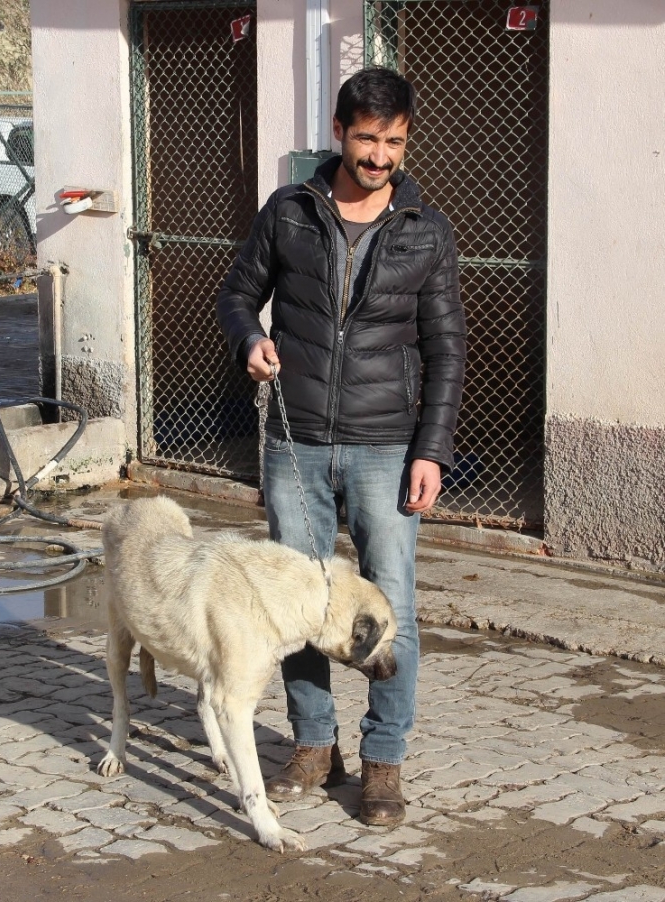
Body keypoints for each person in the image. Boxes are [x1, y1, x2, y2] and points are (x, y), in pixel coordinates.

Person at [217, 67, 466, 826]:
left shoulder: (426, 228)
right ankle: (314, 748)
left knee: (395, 607)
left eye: (393, 141)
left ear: (405, 140)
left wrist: (432, 450)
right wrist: (251, 339)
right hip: (295, 438)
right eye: (366, 139)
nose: (380, 156)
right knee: (297, 603)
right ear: (339, 132)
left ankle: (384, 763)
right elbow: (236, 293)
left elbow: (446, 349)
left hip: (388, 445)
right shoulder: (290, 210)